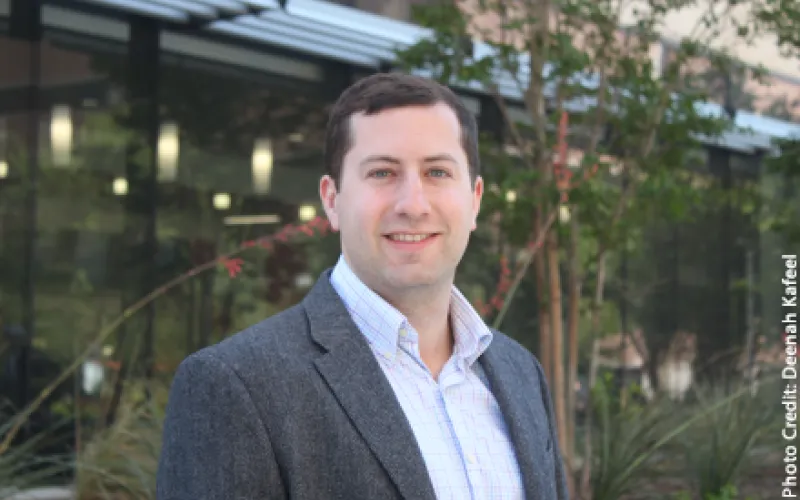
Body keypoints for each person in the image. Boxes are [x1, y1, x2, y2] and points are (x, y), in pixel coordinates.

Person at [156, 72, 568, 500]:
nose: (413, 204)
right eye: (383, 172)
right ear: (331, 199)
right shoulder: (236, 385)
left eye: (438, 172)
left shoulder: (521, 373)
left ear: (475, 199)